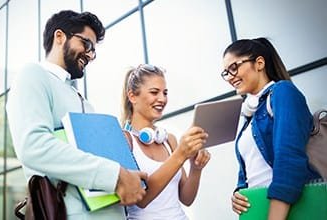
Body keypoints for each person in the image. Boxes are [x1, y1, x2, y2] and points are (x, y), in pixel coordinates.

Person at [6, 10, 147, 219]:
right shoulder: (33, 75)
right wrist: (115, 174)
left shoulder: (84, 102)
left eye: (93, 51)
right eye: (87, 44)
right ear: (60, 36)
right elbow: (33, 145)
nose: (90, 55)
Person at [221, 37, 321, 219]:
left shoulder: (283, 92)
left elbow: (289, 159)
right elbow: (250, 167)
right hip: (256, 206)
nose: (230, 77)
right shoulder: (247, 112)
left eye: (234, 67)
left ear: (259, 63)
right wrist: (239, 192)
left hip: (285, 208)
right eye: (226, 73)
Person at [121, 64, 211, 219]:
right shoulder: (124, 140)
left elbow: (186, 199)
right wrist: (180, 155)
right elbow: (140, 199)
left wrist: (196, 169)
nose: (162, 99)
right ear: (132, 96)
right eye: (154, 92)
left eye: (165, 93)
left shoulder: (169, 140)